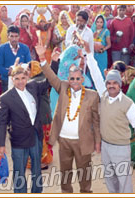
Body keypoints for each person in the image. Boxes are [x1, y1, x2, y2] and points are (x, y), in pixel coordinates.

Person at [35, 43, 100, 193]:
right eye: (72, 79)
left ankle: (85, 193)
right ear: (68, 79)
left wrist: (97, 142)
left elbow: (96, 121)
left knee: (84, 174)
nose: (75, 81)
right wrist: (42, 58)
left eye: (78, 78)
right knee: (65, 174)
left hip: (82, 141)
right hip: (63, 141)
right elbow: (51, 76)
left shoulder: (92, 95)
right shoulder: (62, 87)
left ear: (82, 79)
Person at [85, 41, 135, 193]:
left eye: (115, 83)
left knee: (124, 181)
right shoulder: (104, 95)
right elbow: (95, 73)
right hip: (106, 146)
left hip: (121, 148)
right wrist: (89, 55)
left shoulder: (128, 103)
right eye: (109, 83)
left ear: (119, 85)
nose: (111, 86)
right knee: (110, 179)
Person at [0, 64, 50, 193]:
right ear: (12, 79)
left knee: (37, 168)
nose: (20, 81)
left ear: (27, 77)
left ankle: (37, 192)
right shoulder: (5, 98)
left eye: (23, 78)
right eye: (17, 79)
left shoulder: (34, 86)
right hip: (19, 140)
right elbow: (2, 123)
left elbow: (49, 81)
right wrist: (1, 145)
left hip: (36, 136)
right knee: (19, 170)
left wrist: (50, 62)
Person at [0, 25, 31, 93]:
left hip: (22, 81)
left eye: (16, 36)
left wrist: (22, 67)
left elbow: (29, 64)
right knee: (9, 102)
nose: (14, 39)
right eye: (11, 36)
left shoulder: (25, 48)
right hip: (7, 81)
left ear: (19, 36)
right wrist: (10, 72)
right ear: (8, 37)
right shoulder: (1, 49)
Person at [91, 14, 111, 79]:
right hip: (93, 55)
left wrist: (103, 49)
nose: (99, 24)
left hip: (102, 55)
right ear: (95, 22)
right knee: (93, 72)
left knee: (101, 72)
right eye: (98, 22)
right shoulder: (92, 30)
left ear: (104, 23)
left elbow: (109, 45)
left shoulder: (106, 31)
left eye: (101, 22)